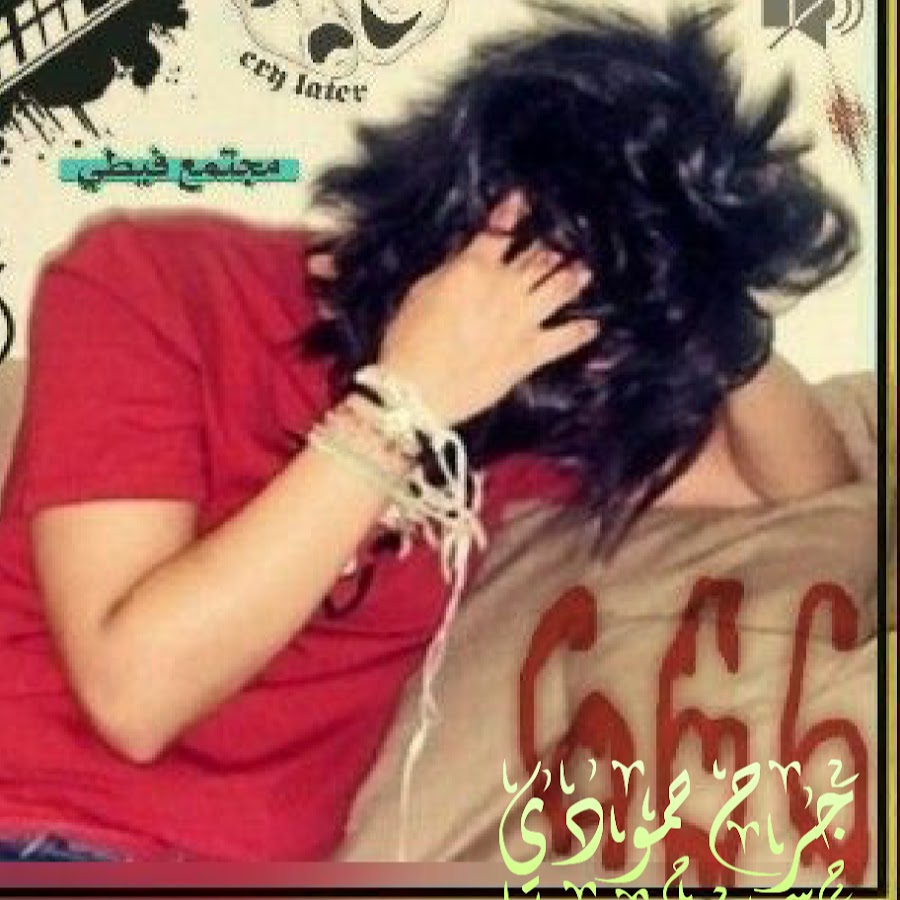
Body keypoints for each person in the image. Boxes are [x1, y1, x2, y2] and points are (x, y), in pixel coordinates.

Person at [0, 2, 857, 862]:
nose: (592, 369)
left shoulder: (522, 398)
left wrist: (719, 322)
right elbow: (134, 696)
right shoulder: (147, 285)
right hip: (44, 835)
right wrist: (401, 406)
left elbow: (796, 488)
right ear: (481, 216)